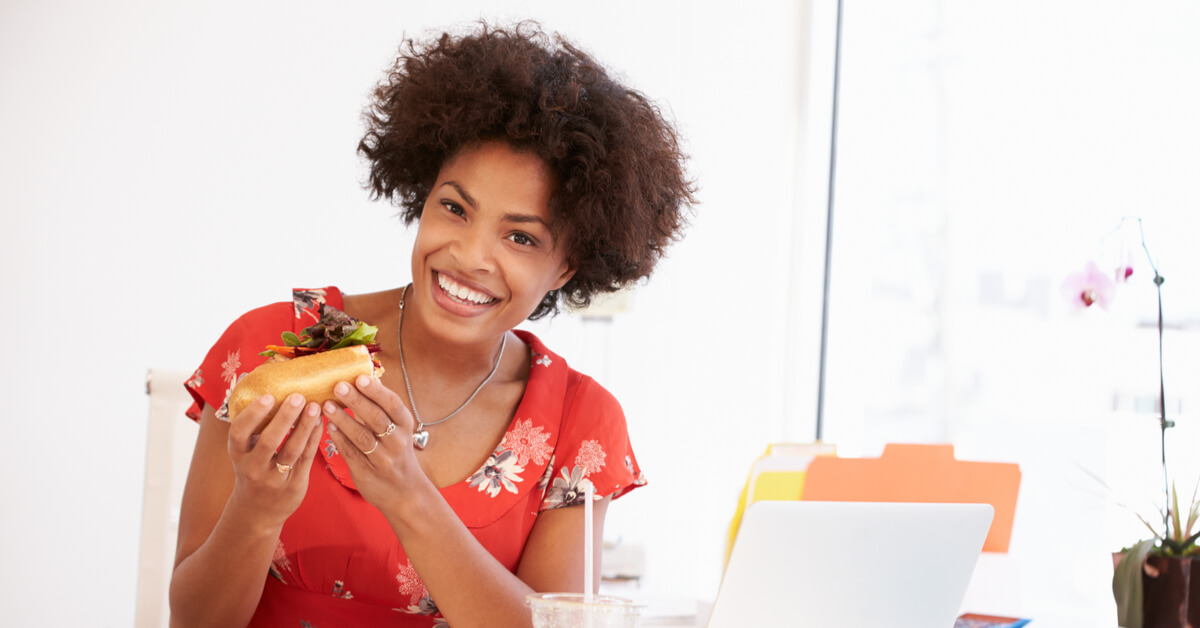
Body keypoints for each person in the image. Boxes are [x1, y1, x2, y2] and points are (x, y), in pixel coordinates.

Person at [169, 21, 695, 628]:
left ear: (566, 268)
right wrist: (255, 510)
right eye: (454, 207)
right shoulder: (269, 350)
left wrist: (407, 494)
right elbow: (191, 621)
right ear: (421, 194)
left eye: (521, 237)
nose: (470, 256)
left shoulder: (581, 426)